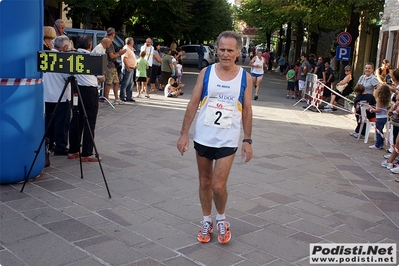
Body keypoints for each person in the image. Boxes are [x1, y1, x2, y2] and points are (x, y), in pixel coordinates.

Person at [177, 31, 253, 245]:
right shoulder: (206, 73)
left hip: (227, 140)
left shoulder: (244, 77)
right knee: (204, 181)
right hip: (203, 136)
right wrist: (184, 133)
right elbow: (193, 103)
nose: (225, 54)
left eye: (230, 50)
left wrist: (247, 140)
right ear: (216, 49)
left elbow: (247, 110)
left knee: (218, 185)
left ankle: (221, 218)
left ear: (238, 52)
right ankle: (206, 220)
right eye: (222, 49)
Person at [67, 35, 105, 162]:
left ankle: (73, 150)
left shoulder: (72, 56)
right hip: (89, 91)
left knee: (76, 119)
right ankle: (87, 153)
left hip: (76, 89)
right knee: (89, 121)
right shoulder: (92, 58)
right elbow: (101, 76)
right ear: (90, 46)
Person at [43, 35, 71, 155]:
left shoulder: (46, 56)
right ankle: (61, 146)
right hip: (61, 96)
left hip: (47, 95)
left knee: (49, 121)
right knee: (62, 123)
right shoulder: (62, 59)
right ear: (65, 47)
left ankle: (48, 144)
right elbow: (68, 77)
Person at [104, 27, 127, 104]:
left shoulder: (110, 42)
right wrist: (120, 53)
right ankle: (106, 99)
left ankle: (116, 98)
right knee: (109, 83)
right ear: (113, 34)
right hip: (109, 65)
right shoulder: (109, 43)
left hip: (113, 65)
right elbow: (111, 56)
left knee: (116, 82)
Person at [368, 84, 391, 149]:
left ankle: (378, 145)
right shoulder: (386, 100)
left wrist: (371, 110)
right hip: (384, 117)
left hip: (380, 117)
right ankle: (381, 143)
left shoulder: (379, 100)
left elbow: (378, 110)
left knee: (378, 131)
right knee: (380, 131)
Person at [119, 37, 137, 102]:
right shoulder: (126, 49)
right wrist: (128, 67)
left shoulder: (130, 49)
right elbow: (124, 59)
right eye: (133, 41)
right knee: (125, 83)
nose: (134, 43)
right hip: (128, 68)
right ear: (130, 42)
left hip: (132, 68)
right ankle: (122, 96)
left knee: (130, 83)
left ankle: (129, 96)